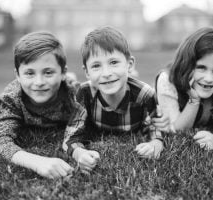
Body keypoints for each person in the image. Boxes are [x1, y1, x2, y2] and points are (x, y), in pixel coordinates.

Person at [63, 26, 169, 173]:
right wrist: (80, 153)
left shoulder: (145, 94)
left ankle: (128, 77)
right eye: (96, 66)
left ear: (130, 64)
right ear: (86, 72)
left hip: (133, 114)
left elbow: (155, 127)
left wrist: (156, 144)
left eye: (113, 62)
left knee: (131, 86)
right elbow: (71, 136)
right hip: (98, 126)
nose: (106, 73)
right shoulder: (84, 92)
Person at [0, 31, 76, 179]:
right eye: (29, 73)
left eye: (48, 72)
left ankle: (69, 77)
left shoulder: (73, 94)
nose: (39, 82)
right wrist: (37, 162)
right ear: (17, 75)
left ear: (62, 73)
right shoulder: (12, 100)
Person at [156, 26, 213, 150]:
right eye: (201, 67)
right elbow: (175, 131)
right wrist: (193, 100)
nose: (208, 78)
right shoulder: (167, 80)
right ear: (186, 64)